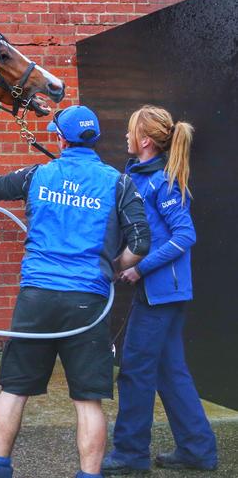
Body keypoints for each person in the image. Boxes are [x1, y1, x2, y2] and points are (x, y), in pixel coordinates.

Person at [0, 105, 150, 478]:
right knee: (88, 400)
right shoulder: (118, 182)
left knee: (14, 389)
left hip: (37, 298)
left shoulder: (38, 175)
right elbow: (141, 242)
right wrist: (111, 268)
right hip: (88, 301)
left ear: (60, 139)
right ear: (93, 138)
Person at [102, 105, 218, 474]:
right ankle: (198, 450)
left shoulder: (163, 182)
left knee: (135, 371)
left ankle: (130, 454)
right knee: (171, 371)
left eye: (130, 131)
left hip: (161, 294)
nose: (125, 136)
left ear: (146, 141)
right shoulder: (139, 175)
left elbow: (185, 235)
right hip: (163, 293)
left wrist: (140, 268)